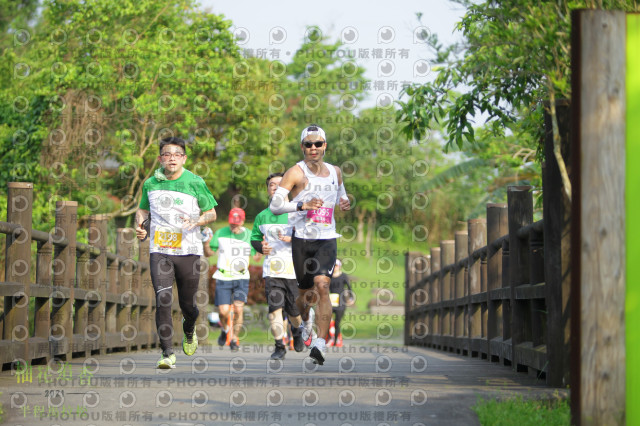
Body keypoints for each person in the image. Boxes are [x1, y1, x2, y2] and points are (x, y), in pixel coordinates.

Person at [269, 124, 350, 365]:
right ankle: (306, 322)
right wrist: (301, 205)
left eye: (318, 143)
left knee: (323, 286)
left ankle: (320, 344)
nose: (313, 148)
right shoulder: (295, 172)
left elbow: (341, 193)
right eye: (308, 144)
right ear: (302, 147)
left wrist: (344, 202)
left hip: (327, 238)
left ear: (325, 145)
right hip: (302, 239)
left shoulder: (335, 172)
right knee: (304, 296)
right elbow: (275, 205)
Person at [135, 137, 218, 369]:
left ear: (184, 158)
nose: (172, 158)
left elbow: (211, 213)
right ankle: (167, 353)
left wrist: (197, 220)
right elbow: (142, 211)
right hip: (160, 250)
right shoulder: (150, 183)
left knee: (188, 305)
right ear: (160, 158)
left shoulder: (195, 181)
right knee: (162, 298)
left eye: (177, 154)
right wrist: (140, 227)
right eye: (167, 154)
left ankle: (189, 328)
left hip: (189, 251)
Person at [251, 172, 304, 360]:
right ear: (268, 190)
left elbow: (310, 238)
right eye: (271, 184)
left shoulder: (297, 213)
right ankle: (279, 346)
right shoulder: (262, 216)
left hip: (294, 271)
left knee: (294, 312)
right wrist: (261, 247)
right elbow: (255, 239)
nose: (275, 187)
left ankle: (297, 331)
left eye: (280, 184)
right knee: (274, 310)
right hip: (272, 271)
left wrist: (294, 239)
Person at [203, 207, 258, 351]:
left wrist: (262, 247)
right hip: (223, 277)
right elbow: (209, 253)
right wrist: (206, 242)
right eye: (232, 223)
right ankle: (225, 329)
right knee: (223, 311)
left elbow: (257, 257)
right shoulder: (220, 233)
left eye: (237, 223)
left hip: (241, 277)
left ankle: (234, 339)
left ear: (243, 221)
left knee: (239, 309)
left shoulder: (250, 235)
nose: (234, 226)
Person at [327, 259, 353, 347]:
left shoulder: (343, 276)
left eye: (336, 265)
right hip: (330, 301)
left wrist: (351, 298)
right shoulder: (329, 276)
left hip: (341, 302)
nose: (335, 267)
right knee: (326, 321)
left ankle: (336, 340)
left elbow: (349, 287)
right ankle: (329, 338)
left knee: (337, 322)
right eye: (334, 266)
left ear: (339, 266)